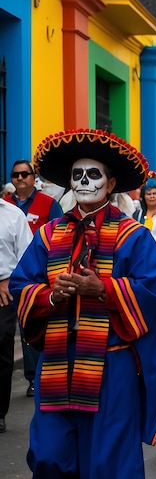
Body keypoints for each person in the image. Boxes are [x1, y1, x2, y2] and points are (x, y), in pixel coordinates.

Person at [9, 128, 156, 479]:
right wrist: (49, 293)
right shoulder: (49, 234)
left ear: (110, 181)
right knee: (49, 452)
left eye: (92, 174)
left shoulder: (134, 236)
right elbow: (22, 285)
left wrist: (106, 288)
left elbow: (153, 287)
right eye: (76, 175)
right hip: (58, 361)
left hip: (112, 365)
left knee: (104, 459)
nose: (82, 181)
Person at [4, 159, 64, 397]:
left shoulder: (49, 204)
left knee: (32, 323)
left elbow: (60, 235)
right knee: (7, 333)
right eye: (15, 175)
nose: (19, 179)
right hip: (9, 279)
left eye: (24, 174)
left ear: (33, 177)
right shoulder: (5, 206)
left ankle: (35, 376)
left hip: (39, 275)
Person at [0, 197, 32, 432]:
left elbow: (26, 257)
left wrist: (10, 280)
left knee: (2, 346)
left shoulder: (12, 214)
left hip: (3, 292)